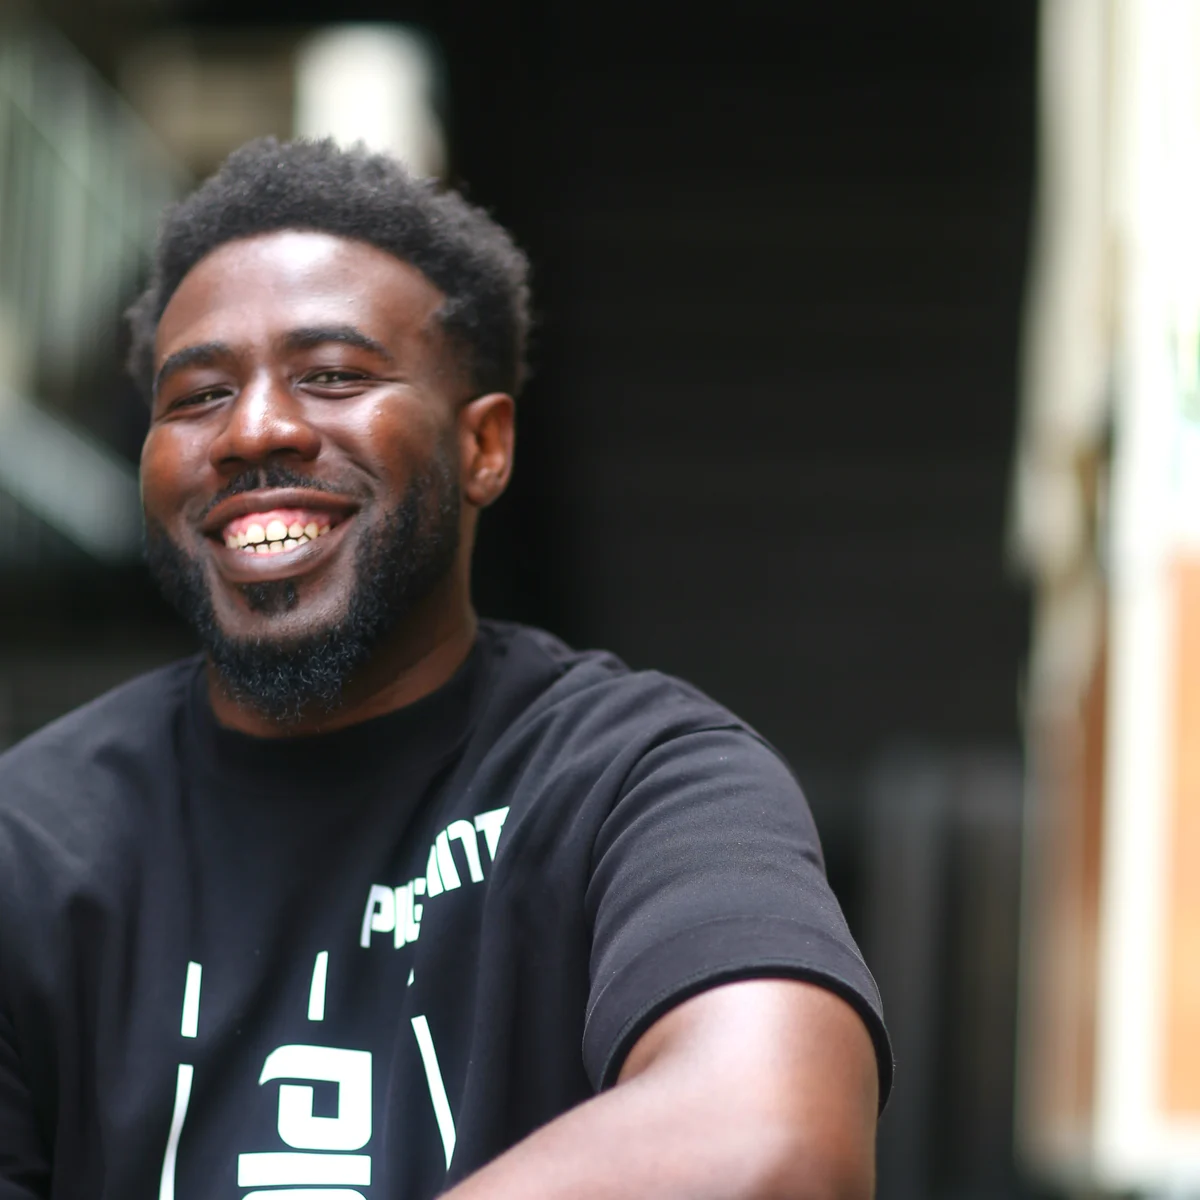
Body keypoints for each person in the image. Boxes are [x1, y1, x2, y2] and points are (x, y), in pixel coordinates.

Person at [0, 137, 890, 1200]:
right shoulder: (31, 840)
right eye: (196, 396)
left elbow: (772, 1144)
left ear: (484, 448)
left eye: (332, 375)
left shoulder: (640, 779)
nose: (253, 428)